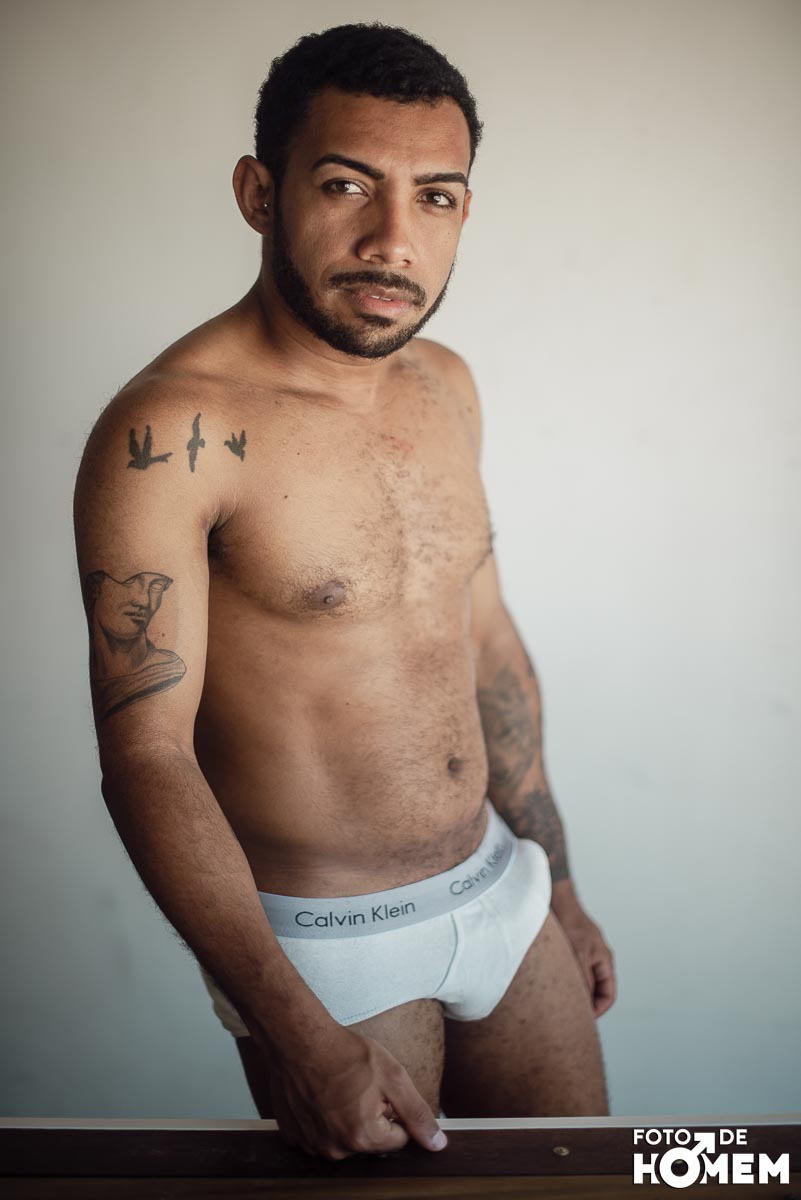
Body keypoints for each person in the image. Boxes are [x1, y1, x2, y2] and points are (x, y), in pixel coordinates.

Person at [74, 22, 616, 1161]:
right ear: (258, 193)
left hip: (500, 888)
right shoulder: (170, 433)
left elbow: (487, 644)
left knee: (579, 1175)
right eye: (346, 186)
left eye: (435, 197)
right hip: (326, 950)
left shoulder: (447, 385)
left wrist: (557, 885)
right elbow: (146, 758)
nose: (392, 240)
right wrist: (292, 1029)